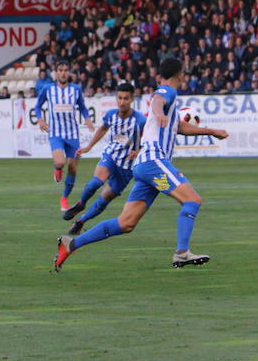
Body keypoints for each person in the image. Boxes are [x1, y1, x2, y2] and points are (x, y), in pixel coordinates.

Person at [54, 58, 228, 271]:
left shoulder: (169, 100)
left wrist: (211, 131)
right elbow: (156, 101)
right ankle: (182, 253)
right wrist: (159, 112)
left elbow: (179, 126)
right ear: (180, 75)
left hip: (144, 166)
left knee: (125, 223)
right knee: (192, 200)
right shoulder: (167, 92)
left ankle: (71, 243)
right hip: (154, 160)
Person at [62, 83, 146, 235]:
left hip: (126, 168)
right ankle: (81, 204)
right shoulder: (111, 114)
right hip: (111, 156)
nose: (122, 102)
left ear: (132, 99)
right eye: (119, 98)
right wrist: (88, 147)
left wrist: (138, 151)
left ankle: (81, 221)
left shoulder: (140, 120)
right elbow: (102, 129)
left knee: (103, 200)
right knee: (95, 182)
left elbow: (149, 140)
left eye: (126, 98)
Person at [35, 60, 95, 211]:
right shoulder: (48, 89)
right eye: (60, 70)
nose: (63, 73)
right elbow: (37, 106)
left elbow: (82, 107)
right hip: (55, 133)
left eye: (65, 70)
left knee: (73, 168)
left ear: (69, 72)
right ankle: (57, 168)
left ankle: (64, 198)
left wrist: (87, 119)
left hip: (72, 134)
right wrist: (40, 119)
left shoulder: (76, 89)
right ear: (56, 73)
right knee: (61, 162)